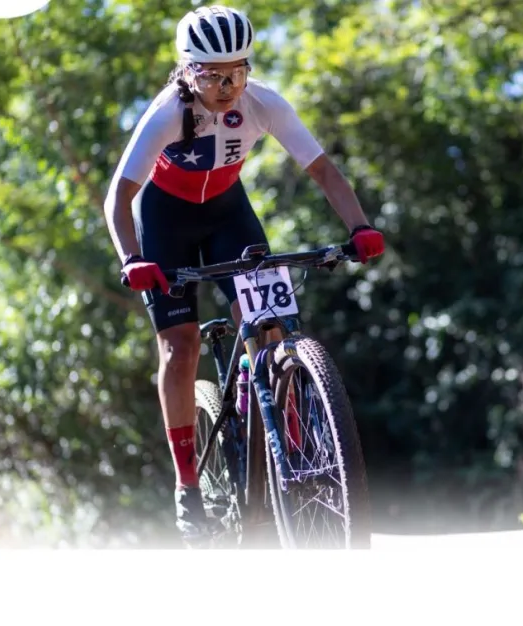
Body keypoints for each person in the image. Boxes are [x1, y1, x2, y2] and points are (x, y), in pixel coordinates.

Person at [102, 4, 385, 541]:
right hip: (164, 222)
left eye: (237, 71)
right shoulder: (166, 114)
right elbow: (120, 194)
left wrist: (360, 226)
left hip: (229, 214)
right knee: (180, 348)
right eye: (212, 74)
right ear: (187, 71)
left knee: (272, 329)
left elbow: (323, 169)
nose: (228, 85)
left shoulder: (263, 104)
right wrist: (132, 258)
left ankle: (289, 444)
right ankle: (188, 485)